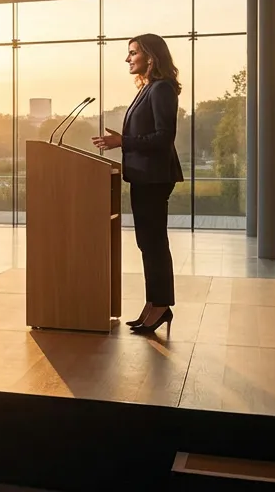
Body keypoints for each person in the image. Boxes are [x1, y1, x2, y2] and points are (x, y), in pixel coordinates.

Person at [94, 33, 185, 335]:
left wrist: (123, 141)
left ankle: (161, 305)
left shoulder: (162, 89)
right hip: (145, 177)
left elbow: (163, 137)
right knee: (148, 243)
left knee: (154, 243)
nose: (127, 58)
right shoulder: (149, 88)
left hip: (154, 178)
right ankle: (154, 303)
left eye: (133, 52)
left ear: (151, 56)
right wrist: (123, 141)